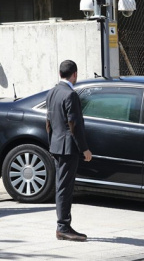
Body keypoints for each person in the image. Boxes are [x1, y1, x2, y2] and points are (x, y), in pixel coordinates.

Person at [46, 60, 92, 242]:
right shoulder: (70, 95)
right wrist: (85, 149)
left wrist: (52, 144)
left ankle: (64, 225)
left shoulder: (52, 92)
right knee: (65, 188)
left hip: (57, 145)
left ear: (60, 74)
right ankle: (63, 227)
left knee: (61, 186)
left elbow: (48, 122)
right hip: (67, 148)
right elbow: (74, 125)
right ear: (74, 74)